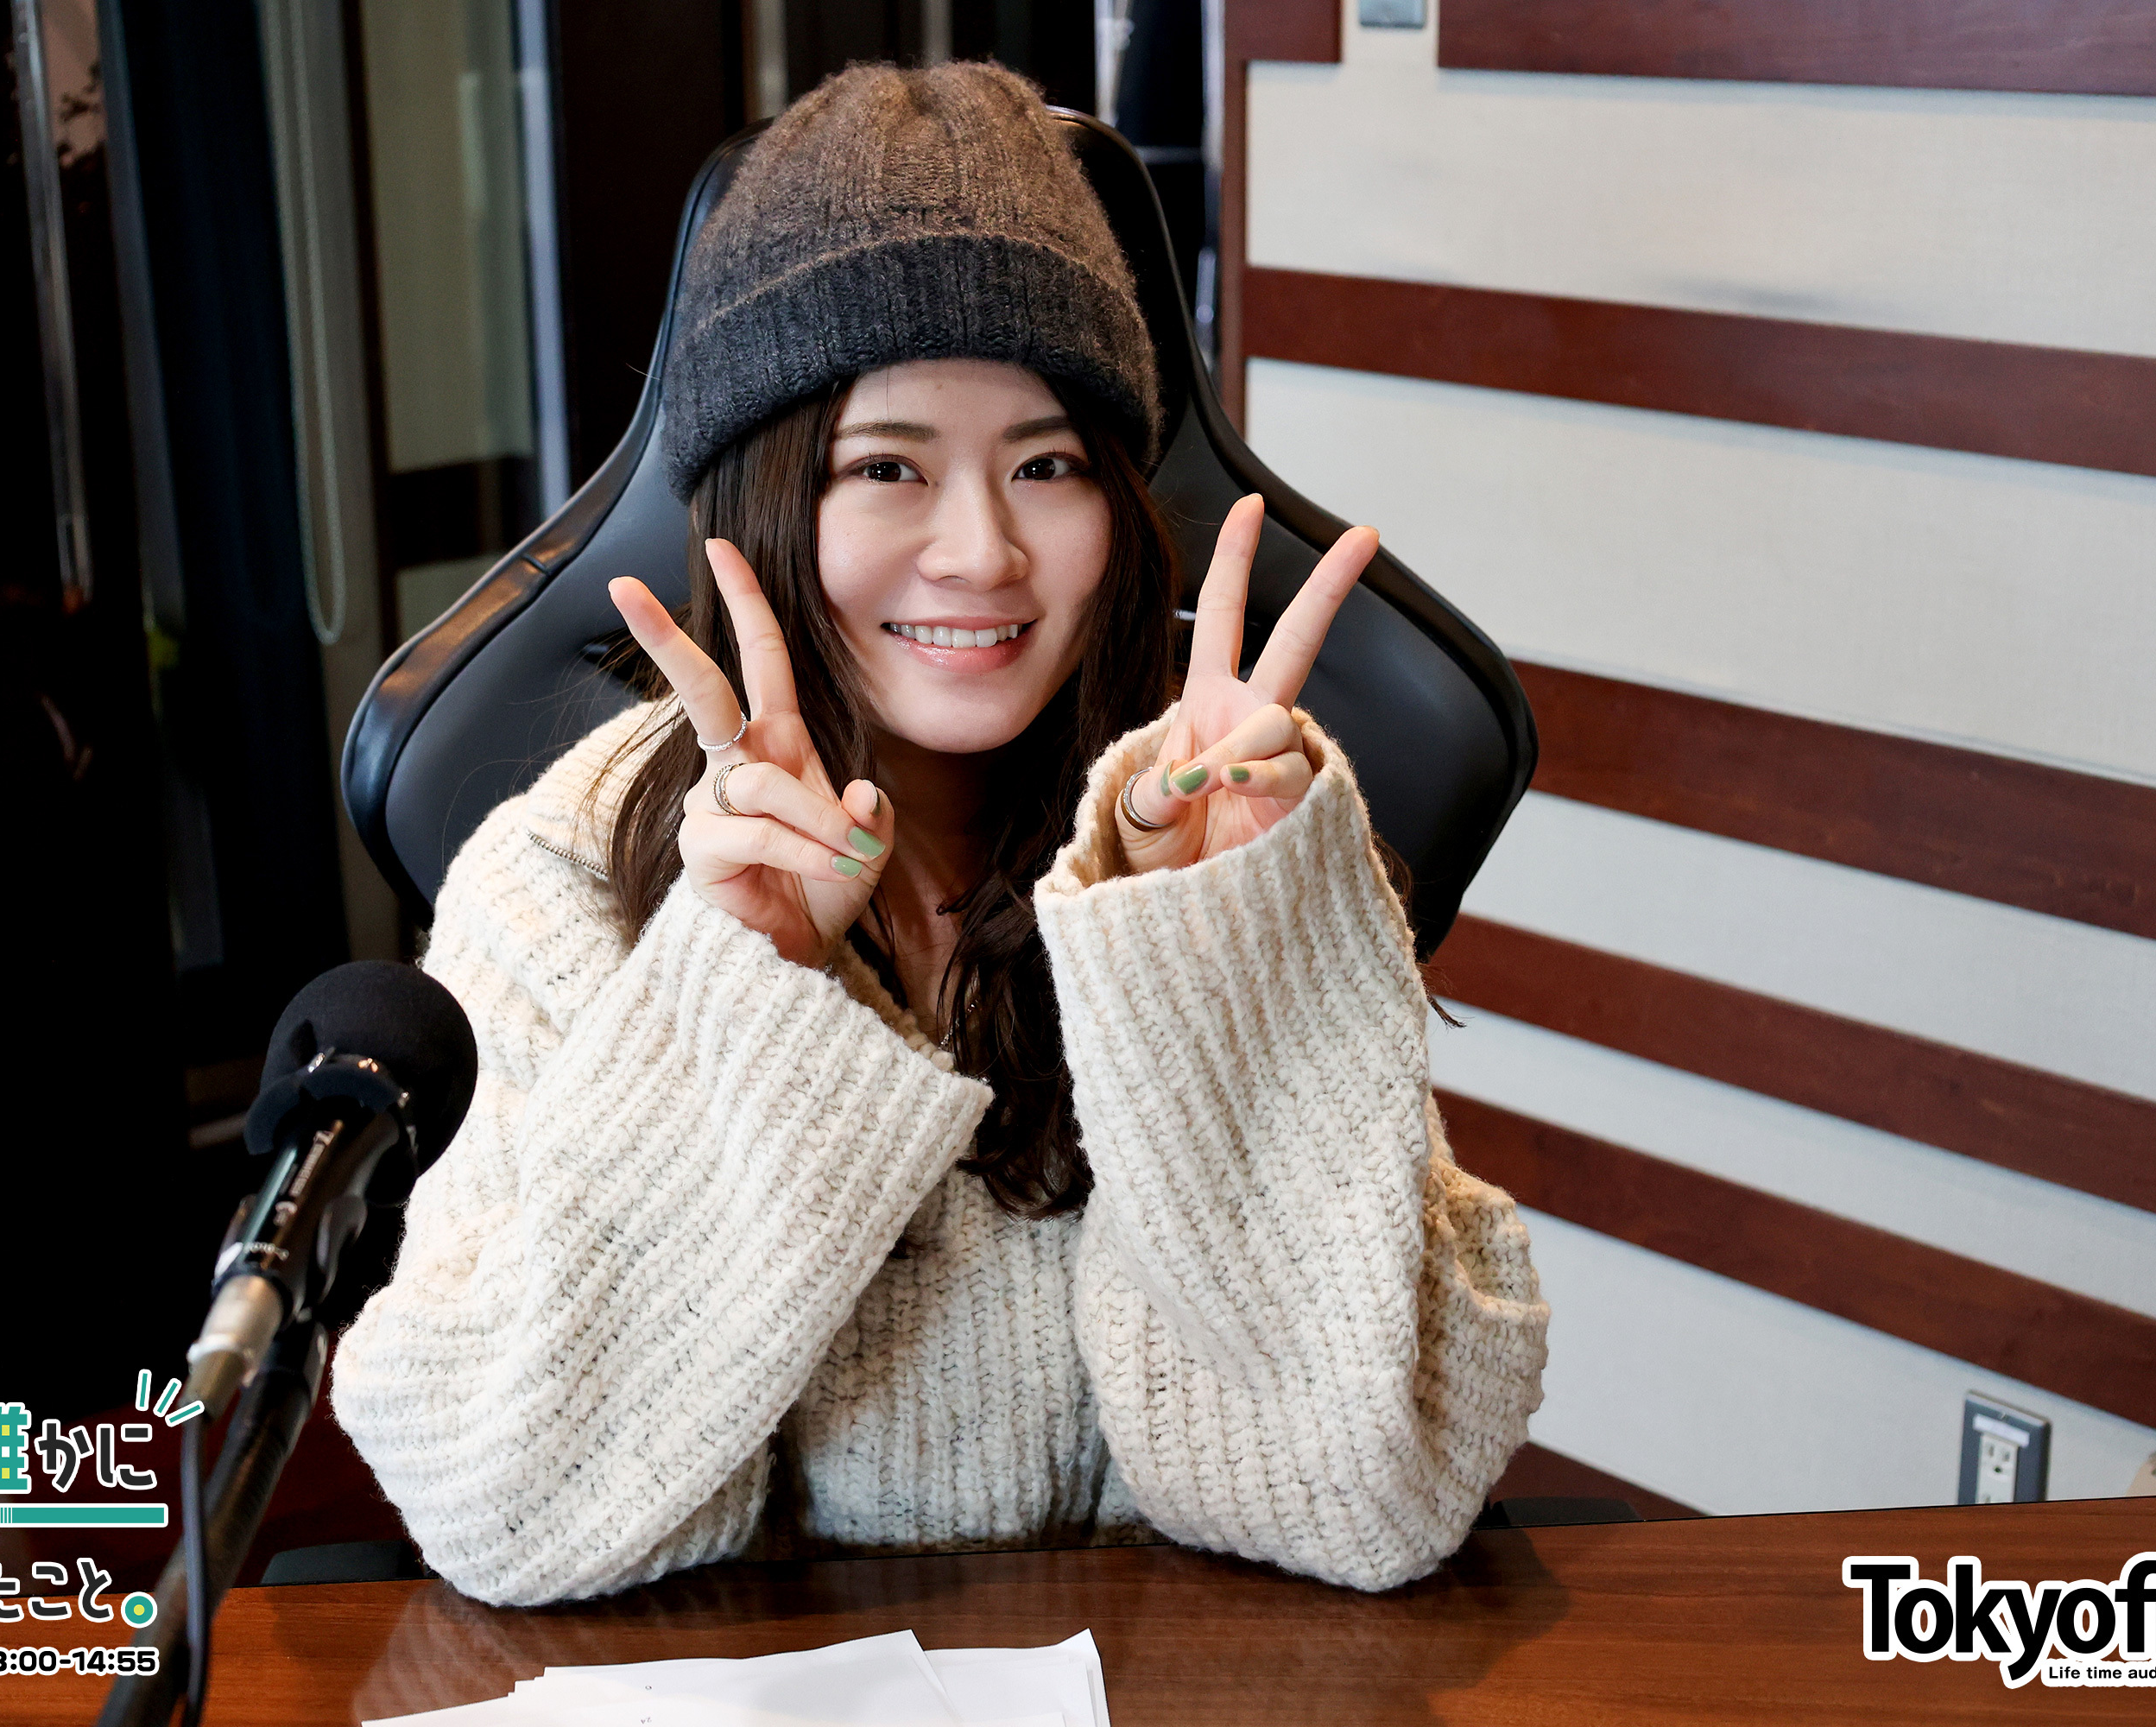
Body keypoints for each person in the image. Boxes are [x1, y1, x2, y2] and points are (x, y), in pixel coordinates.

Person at [332, 60, 1548, 1608]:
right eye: (886, 468)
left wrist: (1225, 946)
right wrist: (738, 984)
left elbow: (1371, 1500)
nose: (980, 552)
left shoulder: (1226, 830)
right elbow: (508, 1514)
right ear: (761, 504)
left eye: (1046, 466)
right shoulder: (558, 877)